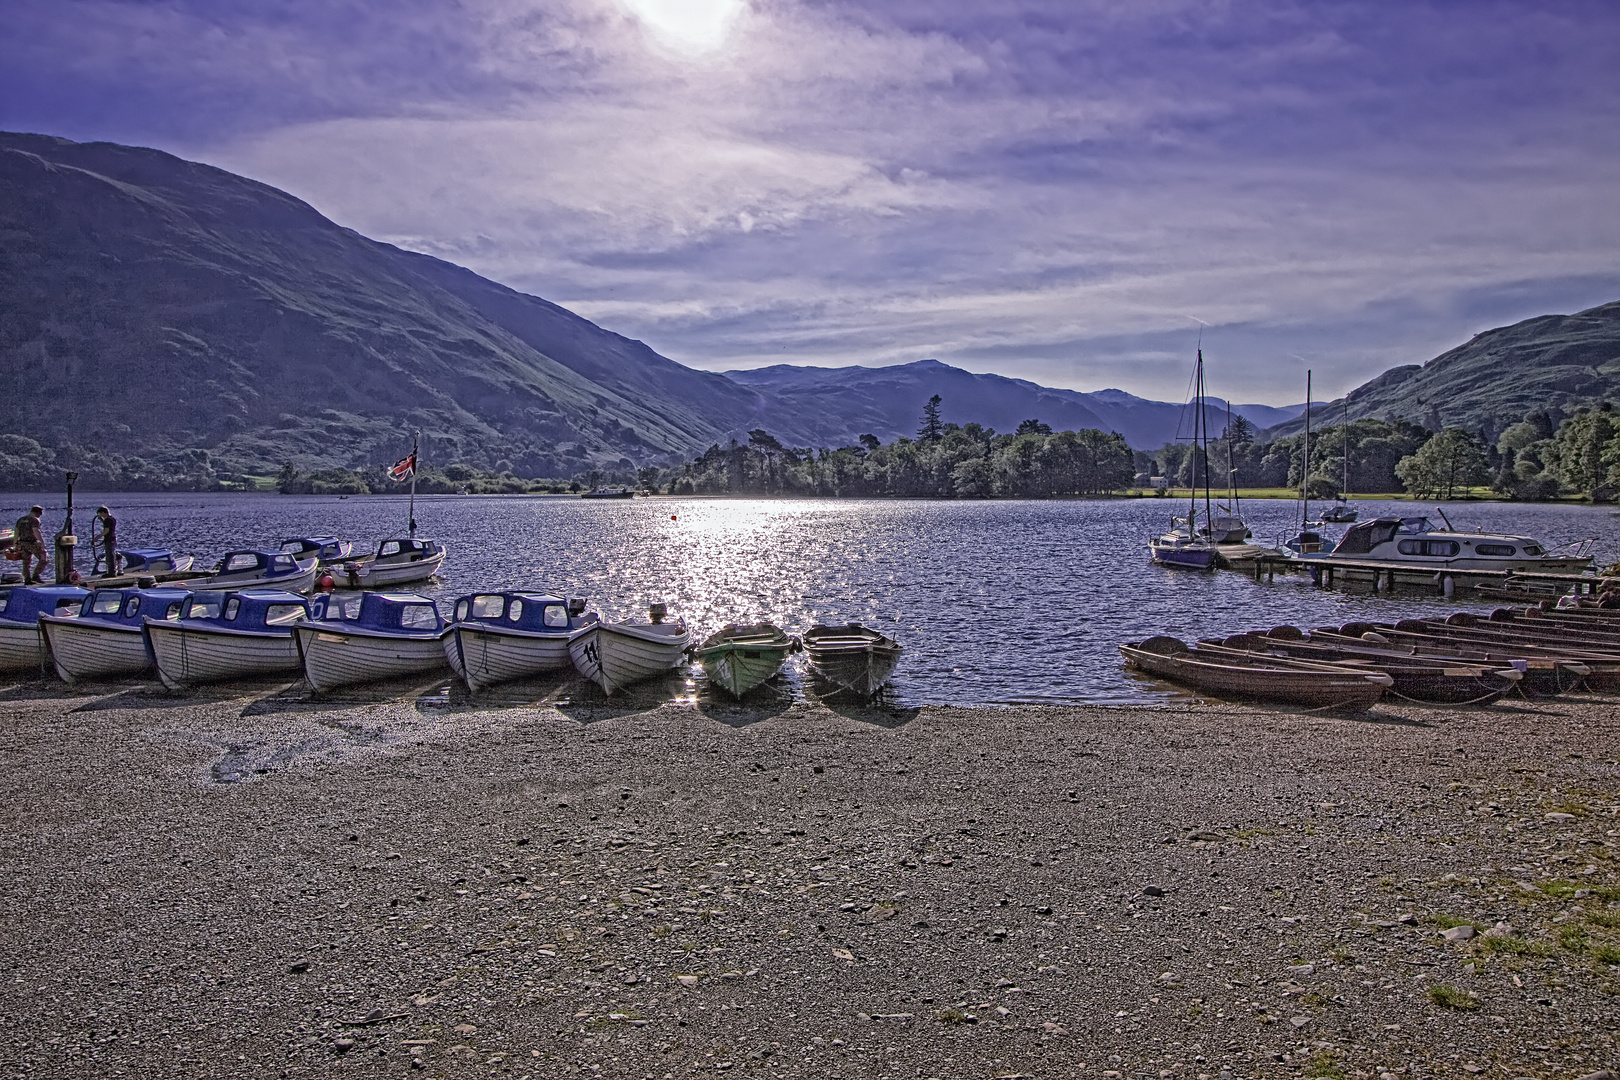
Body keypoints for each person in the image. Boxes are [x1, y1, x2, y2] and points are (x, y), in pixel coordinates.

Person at [13, 505, 48, 585]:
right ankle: (36, 575)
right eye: (40, 513)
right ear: (37, 512)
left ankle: (27, 579)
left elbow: (16, 533)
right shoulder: (35, 520)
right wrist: (42, 543)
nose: (40, 515)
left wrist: (15, 544)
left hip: (22, 543)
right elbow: (36, 531)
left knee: (26, 562)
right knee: (44, 558)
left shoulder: (21, 520)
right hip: (32, 543)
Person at [93, 506, 119, 577]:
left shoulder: (107, 520)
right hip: (113, 539)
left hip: (109, 539)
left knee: (109, 556)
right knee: (111, 555)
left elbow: (106, 531)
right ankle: (112, 571)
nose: (100, 516)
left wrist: (97, 538)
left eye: (100, 514)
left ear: (103, 512)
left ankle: (111, 572)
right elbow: (108, 526)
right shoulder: (112, 519)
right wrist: (101, 520)